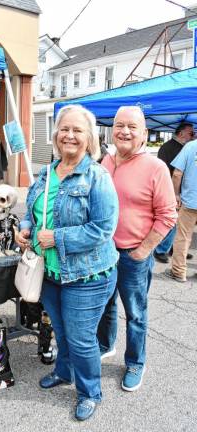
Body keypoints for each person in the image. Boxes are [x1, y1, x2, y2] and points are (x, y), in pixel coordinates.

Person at [15, 104, 119, 421]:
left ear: (89, 138)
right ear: (56, 135)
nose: (69, 135)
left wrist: (56, 238)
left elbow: (103, 229)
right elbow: (30, 209)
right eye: (64, 129)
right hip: (51, 273)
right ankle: (64, 372)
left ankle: (90, 393)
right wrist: (25, 229)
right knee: (61, 332)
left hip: (87, 276)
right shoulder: (47, 173)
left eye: (77, 130)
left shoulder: (97, 177)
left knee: (82, 339)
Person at [97, 106, 177, 392]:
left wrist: (144, 251)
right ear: (112, 129)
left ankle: (135, 362)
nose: (125, 131)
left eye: (132, 126)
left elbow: (168, 215)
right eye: (120, 125)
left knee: (135, 313)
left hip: (134, 255)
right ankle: (105, 345)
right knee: (105, 306)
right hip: (103, 253)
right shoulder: (104, 162)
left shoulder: (156, 168)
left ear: (145, 133)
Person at [154, 122, 194, 263]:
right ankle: (161, 249)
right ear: (181, 133)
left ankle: (174, 249)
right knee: (172, 221)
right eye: (191, 133)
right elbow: (167, 171)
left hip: (180, 190)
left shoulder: (183, 147)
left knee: (179, 223)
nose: (193, 136)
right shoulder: (169, 147)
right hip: (170, 189)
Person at [164, 139, 197, 282]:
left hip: (190, 201)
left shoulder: (191, 146)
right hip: (190, 200)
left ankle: (178, 272)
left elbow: (177, 173)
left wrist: (175, 194)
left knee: (183, 237)